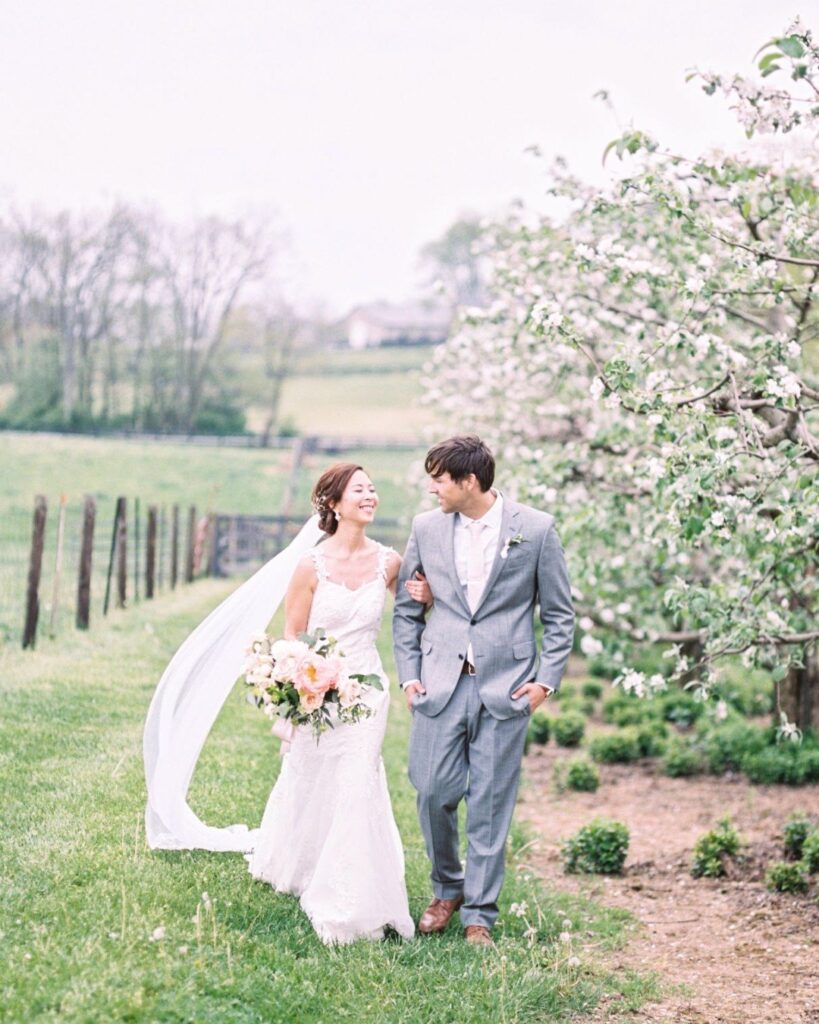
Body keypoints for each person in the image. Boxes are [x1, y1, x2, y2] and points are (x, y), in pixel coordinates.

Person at [393, 435, 575, 946]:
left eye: (439, 478)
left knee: (491, 804)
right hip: (439, 684)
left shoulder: (536, 529)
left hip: (506, 689)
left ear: (469, 482)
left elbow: (559, 615)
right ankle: (447, 886)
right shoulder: (425, 528)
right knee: (431, 791)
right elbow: (408, 609)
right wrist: (410, 676)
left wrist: (544, 682)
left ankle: (480, 915)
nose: (432, 488)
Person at [247, 463, 418, 945]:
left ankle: (353, 896)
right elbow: (292, 635)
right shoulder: (310, 566)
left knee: (356, 782)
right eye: (358, 489)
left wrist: (422, 596)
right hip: (318, 689)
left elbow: (413, 610)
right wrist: (304, 677)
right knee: (310, 772)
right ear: (334, 503)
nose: (370, 495)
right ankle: (298, 862)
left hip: (367, 692)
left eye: (372, 487)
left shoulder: (390, 562)